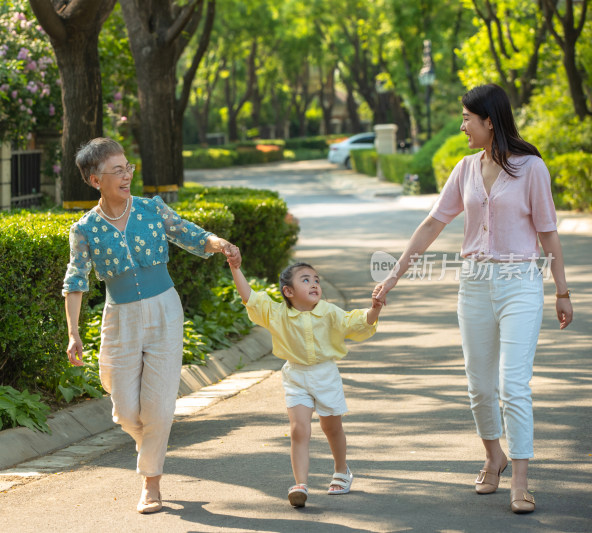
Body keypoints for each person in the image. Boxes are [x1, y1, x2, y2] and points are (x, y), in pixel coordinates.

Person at [372, 84, 573, 514]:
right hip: (475, 285)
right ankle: (492, 456)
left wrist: (561, 289)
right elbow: (432, 224)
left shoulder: (531, 167)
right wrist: (393, 276)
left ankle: (520, 478)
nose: (462, 126)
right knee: (480, 386)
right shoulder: (464, 168)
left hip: (521, 282)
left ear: (490, 121)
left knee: (513, 385)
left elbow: (548, 230)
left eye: (467, 118)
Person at [62, 138, 236, 514]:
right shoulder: (85, 229)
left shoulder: (151, 209)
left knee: (157, 408)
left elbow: (190, 234)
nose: (127, 175)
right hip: (119, 318)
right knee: (124, 410)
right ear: (95, 180)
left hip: (165, 312)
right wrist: (73, 332)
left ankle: (151, 483)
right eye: (117, 170)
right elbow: (75, 279)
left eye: (128, 167)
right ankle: (153, 444)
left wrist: (218, 242)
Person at [228, 250, 381, 508]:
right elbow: (250, 298)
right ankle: (300, 484)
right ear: (288, 292)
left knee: (331, 428)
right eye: (306, 280)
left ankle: (342, 471)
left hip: (326, 375)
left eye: (317, 280)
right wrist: (235, 267)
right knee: (299, 429)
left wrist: (374, 309)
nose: (315, 284)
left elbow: (356, 323)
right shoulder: (276, 314)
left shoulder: (330, 312)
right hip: (296, 375)